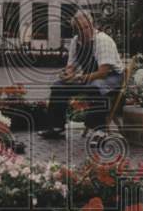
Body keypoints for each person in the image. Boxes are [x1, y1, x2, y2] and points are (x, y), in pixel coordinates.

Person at [39, 11, 123, 139]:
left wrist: (79, 78)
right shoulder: (75, 41)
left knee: (96, 86)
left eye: (87, 27)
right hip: (89, 77)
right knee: (58, 87)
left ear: (92, 24)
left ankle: (99, 131)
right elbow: (71, 66)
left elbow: (103, 72)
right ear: (75, 29)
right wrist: (67, 74)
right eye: (80, 28)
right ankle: (56, 128)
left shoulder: (102, 40)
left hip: (110, 78)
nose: (85, 31)